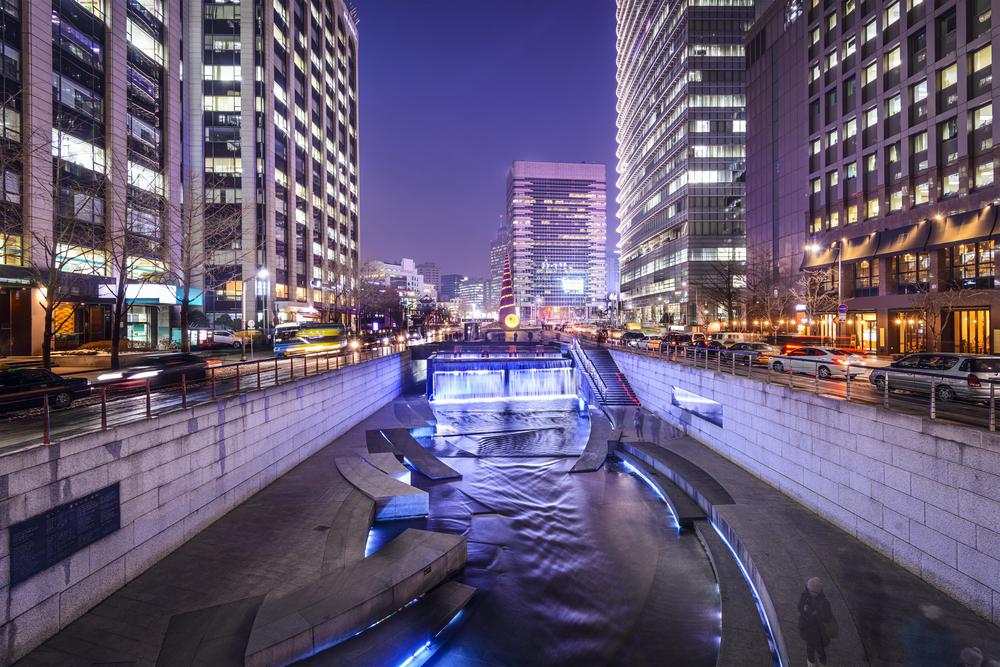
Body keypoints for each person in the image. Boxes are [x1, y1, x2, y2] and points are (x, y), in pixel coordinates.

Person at [798, 577, 834, 667]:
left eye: (812, 591)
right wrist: (804, 609)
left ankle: (822, 664)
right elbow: (799, 606)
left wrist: (816, 614)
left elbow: (828, 616)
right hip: (808, 628)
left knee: (820, 650)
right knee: (809, 648)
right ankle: (811, 664)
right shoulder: (805, 595)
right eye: (809, 589)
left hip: (819, 631)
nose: (810, 592)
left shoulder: (823, 602)